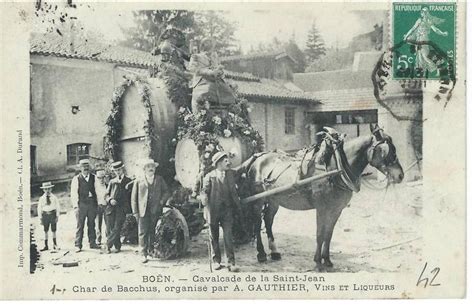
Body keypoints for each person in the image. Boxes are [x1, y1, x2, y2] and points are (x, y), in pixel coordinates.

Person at [200, 151, 241, 272]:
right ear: (218, 163)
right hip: (213, 211)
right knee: (214, 237)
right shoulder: (210, 176)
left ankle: (231, 262)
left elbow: (240, 171)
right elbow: (203, 191)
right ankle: (216, 261)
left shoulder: (230, 175)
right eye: (225, 161)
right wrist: (203, 197)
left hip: (227, 210)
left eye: (228, 160)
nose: (228, 162)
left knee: (228, 236)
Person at [131, 159, 170, 263]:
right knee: (142, 232)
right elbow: (134, 198)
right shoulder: (138, 181)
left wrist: (161, 202)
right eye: (148, 167)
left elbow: (166, 192)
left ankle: (151, 250)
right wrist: (135, 212)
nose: (151, 168)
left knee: (152, 231)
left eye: (152, 166)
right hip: (142, 210)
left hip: (155, 210)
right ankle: (143, 253)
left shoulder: (159, 179)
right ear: (144, 169)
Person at [188, 37, 235, 113]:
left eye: (211, 44)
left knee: (229, 92)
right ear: (203, 45)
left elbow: (218, 68)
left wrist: (219, 72)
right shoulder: (197, 56)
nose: (210, 46)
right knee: (206, 91)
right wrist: (209, 72)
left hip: (216, 80)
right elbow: (194, 69)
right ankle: (202, 112)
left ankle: (226, 112)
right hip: (202, 81)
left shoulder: (215, 57)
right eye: (207, 43)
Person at [403, 7, 448, 73]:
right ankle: (421, 70)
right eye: (422, 12)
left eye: (425, 12)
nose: (423, 13)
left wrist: (443, 33)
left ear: (427, 13)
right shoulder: (419, 20)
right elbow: (413, 29)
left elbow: (435, 30)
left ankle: (435, 67)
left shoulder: (429, 21)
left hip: (424, 39)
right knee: (419, 55)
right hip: (418, 39)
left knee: (425, 55)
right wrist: (406, 36)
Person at [70, 159, 100, 252]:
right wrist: (76, 206)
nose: (86, 169)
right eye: (84, 167)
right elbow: (74, 193)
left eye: (87, 167)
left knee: (92, 224)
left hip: (92, 204)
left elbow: (98, 191)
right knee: (80, 225)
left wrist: (98, 204)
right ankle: (78, 244)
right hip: (81, 204)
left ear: (89, 168)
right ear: (80, 168)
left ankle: (92, 243)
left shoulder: (94, 178)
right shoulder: (76, 179)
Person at [104, 161, 132, 254]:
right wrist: (110, 200)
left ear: (122, 169)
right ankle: (117, 246)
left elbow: (131, 196)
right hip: (111, 208)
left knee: (117, 227)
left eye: (119, 170)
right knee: (111, 228)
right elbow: (106, 195)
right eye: (116, 170)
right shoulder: (112, 182)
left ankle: (107, 245)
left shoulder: (128, 181)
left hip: (122, 208)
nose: (118, 172)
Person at [38, 182, 60, 251]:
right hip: (45, 215)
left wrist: (57, 216)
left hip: (52, 214)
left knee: (54, 230)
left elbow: (57, 207)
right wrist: (40, 218)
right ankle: (46, 245)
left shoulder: (54, 198)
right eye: (45, 189)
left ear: (51, 189)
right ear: (43, 190)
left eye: (49, 189)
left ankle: (55, 244)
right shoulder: (42, 198)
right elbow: (39, 208)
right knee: (46, 230)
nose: (47, 190)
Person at [94, 170, 108, 246]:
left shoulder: (107, 185)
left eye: (103, 178)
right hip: (98, 206)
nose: (101, 180)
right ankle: (98, 239)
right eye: (99, 178)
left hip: (106, 206)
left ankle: (108, 238)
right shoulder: (95, 187)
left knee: (107, 223)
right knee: (98, 224)